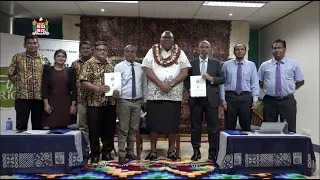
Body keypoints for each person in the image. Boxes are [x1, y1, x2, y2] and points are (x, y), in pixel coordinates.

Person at [142, 30, 191, 161]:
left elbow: (185, 71)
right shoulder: (152, 51)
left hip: (173, 94)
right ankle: (153, 151)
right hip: (155, 94)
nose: (167, 40)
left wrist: (172, 83)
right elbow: (146, 68)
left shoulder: (180, 53)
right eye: (164, 38)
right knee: (153, 124)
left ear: (173, 40)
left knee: (172, 124)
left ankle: (171, 150)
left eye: (169, 38)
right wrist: (160, 83)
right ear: (160, 40)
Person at [80, 41, 119, 164]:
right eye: (99, 50)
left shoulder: (111, 64)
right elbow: (83, 81)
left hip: (110, 103)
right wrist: (98, 88)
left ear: (107, 51)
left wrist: (116, 91)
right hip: (94, 103)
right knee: (94, 130)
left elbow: (116, 82)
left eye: (104, 50)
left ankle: (107, 152)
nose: (102, 52)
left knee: (109, 129)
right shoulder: (88, 64)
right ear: (95, 51)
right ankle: (95, 153)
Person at [184, 40, 225, 161]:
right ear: (198, 48)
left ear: (210, 49)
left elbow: (222, 79)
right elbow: (186, 79)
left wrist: (211, 78)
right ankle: (196, 151)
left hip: (211, 99)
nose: (204, 49)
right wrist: (190, 89)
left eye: (206, 47)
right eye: (202, 47)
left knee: (213, 128)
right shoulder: (191, 63)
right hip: (196, 99)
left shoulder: (216, 63)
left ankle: (212, 152)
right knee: (195, 127)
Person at [258, 39, 304, 133]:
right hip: (269, 101)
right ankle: (270, 148)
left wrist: (291, 89)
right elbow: (258, 81)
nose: (277, 50)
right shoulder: (265, 65)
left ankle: (289, 148)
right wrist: (268, 88)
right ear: (272, 50)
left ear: (285, 49)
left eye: (280, 48)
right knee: (269, 130)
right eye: (275, 48)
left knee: (289, 129)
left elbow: (300, 81)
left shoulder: (293, 64)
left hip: (287, 101)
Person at [8, 34, 51, 131]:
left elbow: (48, 76)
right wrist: (18, 85)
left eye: (34, 43)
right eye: (29, 43)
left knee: (38, 127)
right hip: (22, 98)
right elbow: (10, 74)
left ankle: (37, 146)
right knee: (21, 126)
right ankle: (20, 146)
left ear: (38, 45)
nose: (32, 45)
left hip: (39, 98)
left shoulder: (44, 59)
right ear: (25, 45)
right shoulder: (18, 58)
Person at [114, 45, 147, 165]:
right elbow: (116, 84)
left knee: (134, 128)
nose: (130, 53)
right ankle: (121, 154)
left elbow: (144, 84)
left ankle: (130, 151)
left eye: (133, 51)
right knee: (123, 129)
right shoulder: (118, 67)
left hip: (137, 101)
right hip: (123, 101)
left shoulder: (141, 67)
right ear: (124, 53)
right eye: (127, 51)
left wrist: (145, 99)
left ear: (136, 53)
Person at [220, 43, 260, 131]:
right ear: (234, 52)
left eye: (242, 49)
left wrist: (255, 100)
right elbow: (222, 83)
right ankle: (230, 144)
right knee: (230, 125)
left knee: (246, 125)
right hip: (231, 97)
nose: (240, 51)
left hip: (246, 97)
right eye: (237, 49)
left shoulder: (251, 65)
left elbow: (254, 83)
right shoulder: (226, 65)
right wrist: (223, 99)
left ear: (245, 51)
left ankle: (245, 144)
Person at [41, 49, 77, 129]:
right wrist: (46, 104)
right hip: (52, 103)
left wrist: (73, 105)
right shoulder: (48, 70)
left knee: (65, 130)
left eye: (63, 56)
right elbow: (44, 88)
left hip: (66, 104)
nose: (61, 58)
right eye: (58, 56)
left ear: (66, 59)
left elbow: (74, 89)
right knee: (52, 128)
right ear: (54, 58)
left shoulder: (70, 71)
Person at [71, 41, 93, 151]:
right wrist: (73, 102)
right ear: (80, 50)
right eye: (83, 48)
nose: (85, 49)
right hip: (80, 99)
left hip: (95, 100)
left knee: (94, 126)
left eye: (87, 48)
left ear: (91, 49)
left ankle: (95, 148)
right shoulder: (75, 64)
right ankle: (85, 148)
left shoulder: (96, 62)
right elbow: (72, 84)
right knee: (83, 126)